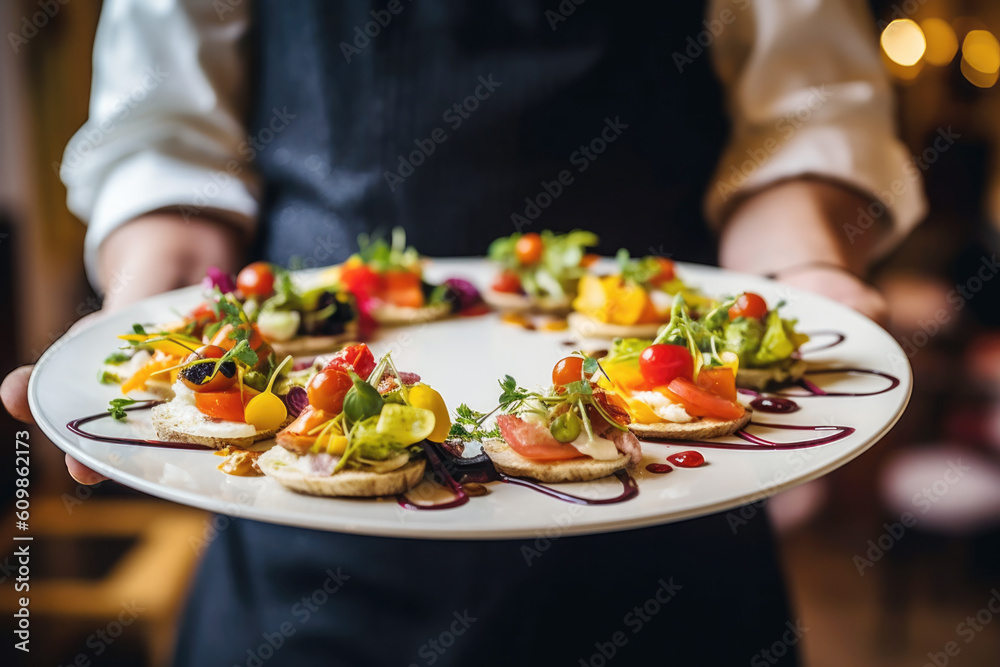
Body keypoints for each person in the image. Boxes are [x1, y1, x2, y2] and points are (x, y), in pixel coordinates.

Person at [2, 1, 925, 664]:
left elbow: (807, 117)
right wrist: (153, 333)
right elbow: (167, 142)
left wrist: (804, 276)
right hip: (304, 547)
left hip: (673, 541)